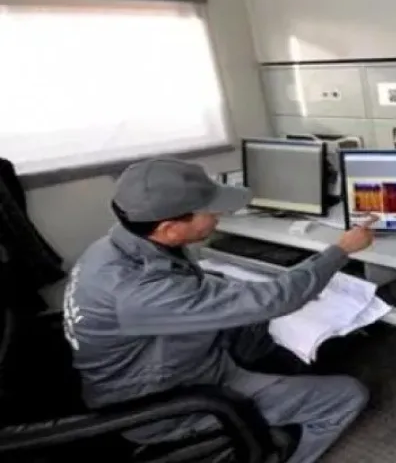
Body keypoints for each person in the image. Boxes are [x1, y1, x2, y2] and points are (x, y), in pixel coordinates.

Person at [64, 157, 377, 463]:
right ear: (170, 228)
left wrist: (270, 288)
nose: (220, 216)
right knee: (347, 396)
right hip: (172, 402)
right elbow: (276, 299)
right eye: (210, 211)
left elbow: (198, 289)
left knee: (269, 325)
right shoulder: (139, 292)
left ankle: (285, 385)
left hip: (173, 361)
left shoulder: (114, 248)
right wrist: (341, 250)